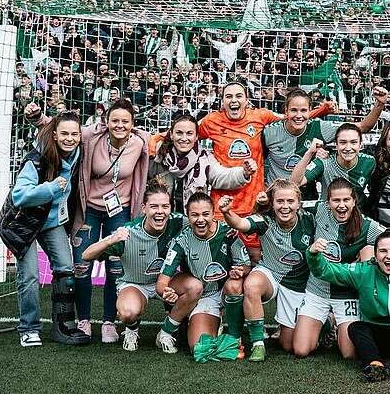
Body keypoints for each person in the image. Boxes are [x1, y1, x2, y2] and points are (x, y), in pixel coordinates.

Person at [27, 98, 153, 344]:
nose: (119, 125)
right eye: (114, 120)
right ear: (106, 122)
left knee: (115, 267)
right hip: (89, 210)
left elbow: (170, 143)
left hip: (120, 211)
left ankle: (108, 322)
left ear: (132, 124)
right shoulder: (90, 136)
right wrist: (36, 118)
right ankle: (83, 319)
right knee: (82, 266)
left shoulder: (141, 142)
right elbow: (62, 129)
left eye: (125, 121)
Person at [197, 81, 334, 264]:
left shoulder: (260, 116)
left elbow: (291, 117)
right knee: (216, 254)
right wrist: (155, 141)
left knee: (254, 256)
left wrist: (322, 111)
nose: (234, 100)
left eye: (239, 96)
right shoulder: (210, 122)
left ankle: (251, 289)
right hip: (222, 200)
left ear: (247, 100)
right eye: (228, 96)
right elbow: (185, 133)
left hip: (254, 200)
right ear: (222, 101)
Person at [306, 225, 390, 382]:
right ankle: (374, 365)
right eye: (383, 251)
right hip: (379, 338)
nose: (389, 256)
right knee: (355, 327)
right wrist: (313, 254)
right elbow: (326, 271)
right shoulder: (364, 271)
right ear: (375, 255)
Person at [0, 111, 86, 347]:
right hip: (22, 223)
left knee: (66, 268)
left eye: (74, 134)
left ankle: (63, 326)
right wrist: (51, 188)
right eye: (64, 134)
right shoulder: (36, 160)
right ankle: (29, 328)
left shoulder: (78, 153)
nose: (70, 138)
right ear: (55, 135)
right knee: (30, 275)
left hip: (50, 221)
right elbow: (19, 196)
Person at [79, 180, 185, 352]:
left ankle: (166, 332)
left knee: (194, 287)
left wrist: (227, 227)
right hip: (135, 284)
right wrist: (110, 240)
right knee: (128, 312)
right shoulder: (129, 232)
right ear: (144, 208)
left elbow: (203, 221)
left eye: (165, 206)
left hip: (166, 282)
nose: (160, 212)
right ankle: (132, 329)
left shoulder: (178, 222)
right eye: (154, 206)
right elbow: (86, 255)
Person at [216, 178, 314, 360]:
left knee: (288, 344)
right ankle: (258, 345)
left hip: (297, 284)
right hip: (270, 273)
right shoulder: (265, 221)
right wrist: (226, 211)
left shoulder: (310, 219)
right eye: (280, 201)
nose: (285, 206)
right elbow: (240, 224)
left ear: (298, 203)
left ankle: (324, 324)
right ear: (272, 203)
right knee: (251, 285)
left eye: (290, 201)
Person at [294, 178, 390, 359]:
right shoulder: (320, 210)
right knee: (301, 350)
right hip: (318, 290)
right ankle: (326, 325)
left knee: (350, 354)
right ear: (328, 201)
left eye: (346, 200)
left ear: (354, 201)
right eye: (336, 200)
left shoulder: (367, 225)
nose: (341, 205)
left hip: (347, 294)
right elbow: (290, 204)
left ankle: (343, 323)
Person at [159, 190, 251, 356]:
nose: (200, 220)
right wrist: (165, 291)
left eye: (205, 214)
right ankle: (209, 324)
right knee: (199, 348)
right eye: (194, 215)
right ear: (188, 216)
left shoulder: (228, 233)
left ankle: (235, 337)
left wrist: (240, 271)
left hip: (224, 291)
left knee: (235, 286)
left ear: (213, 213)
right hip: (205, 296)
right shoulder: (182, 240)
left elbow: (246, 266)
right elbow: (163, 279)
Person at [262, 86, 387, 196]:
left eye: (304, 110)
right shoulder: (269, 132)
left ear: (310, 111)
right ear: (286, 111)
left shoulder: (319, 127)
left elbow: (362, 127)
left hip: (306, 198)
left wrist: (380, 104)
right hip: (275, 197)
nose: (299, 115)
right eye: (294, 110)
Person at [147, 111, 254, 213]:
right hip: (160, 218)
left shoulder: (204, 158)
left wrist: (243, 173)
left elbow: (220, 176)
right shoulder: (158, 155)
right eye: (179, 133)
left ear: (196, 137)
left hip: (192, 220)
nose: (184, 138)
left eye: (189, 133)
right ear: (171, 135)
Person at [291, 122, 376, 207]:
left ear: (360, 144)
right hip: (328, 215)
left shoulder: (369, 162)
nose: (348, 148)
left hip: (358, 215)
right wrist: (310, 152)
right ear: (336, 144)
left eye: (353, 142)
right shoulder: (324, 161)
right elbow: (294, 183)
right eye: (343, 142)